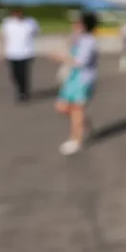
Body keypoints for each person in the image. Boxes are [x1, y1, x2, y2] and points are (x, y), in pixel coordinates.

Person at [49, 11, 99, 156]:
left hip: (82, 79)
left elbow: (80, 62)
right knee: (62, 107)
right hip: (72, 78)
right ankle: (85, 125)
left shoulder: (89, 41)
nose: (74, 25)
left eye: (77, 23)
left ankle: (76, 140)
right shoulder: (79, 38)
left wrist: (60, 57)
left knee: (76, 109)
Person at [0, 7, 40, 102]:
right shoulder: (7, 23)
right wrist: (1, 51)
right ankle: (21, 89)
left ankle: (23, 92)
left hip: (26, 52)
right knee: (14, 74)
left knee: (24, 74)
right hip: (11, 53)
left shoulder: (31, 22)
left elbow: (36, 33)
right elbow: (3, 37)